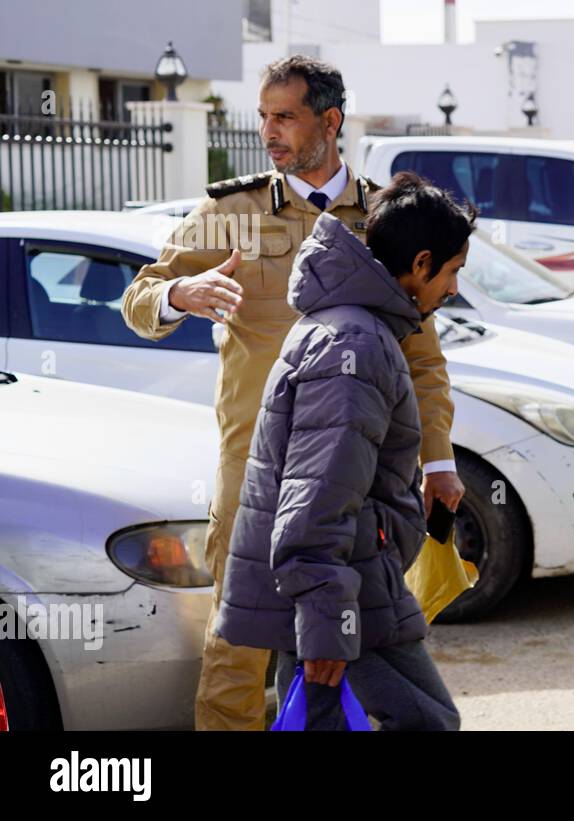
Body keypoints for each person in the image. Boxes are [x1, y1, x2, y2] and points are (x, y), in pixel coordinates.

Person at [121, 55, 462, 731]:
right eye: (263, 116)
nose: (269, 131)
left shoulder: (383, 215)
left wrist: (439, 459)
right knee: (238, 651)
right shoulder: (229, 212)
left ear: (329, 121)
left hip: (352, 484)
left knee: (357, 647)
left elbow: (423, 355)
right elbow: (137, 296)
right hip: (252, 471)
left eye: (285, 116)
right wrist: (177, 294)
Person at [215, 172, 470, 731]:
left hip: (340, 589)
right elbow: (314, 498)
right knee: (430, 722)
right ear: (422, 263)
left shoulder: (352, 327)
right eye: (452, 272)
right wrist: (328, 622)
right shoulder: (355, 343)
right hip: (344, 593)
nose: (452, 290)